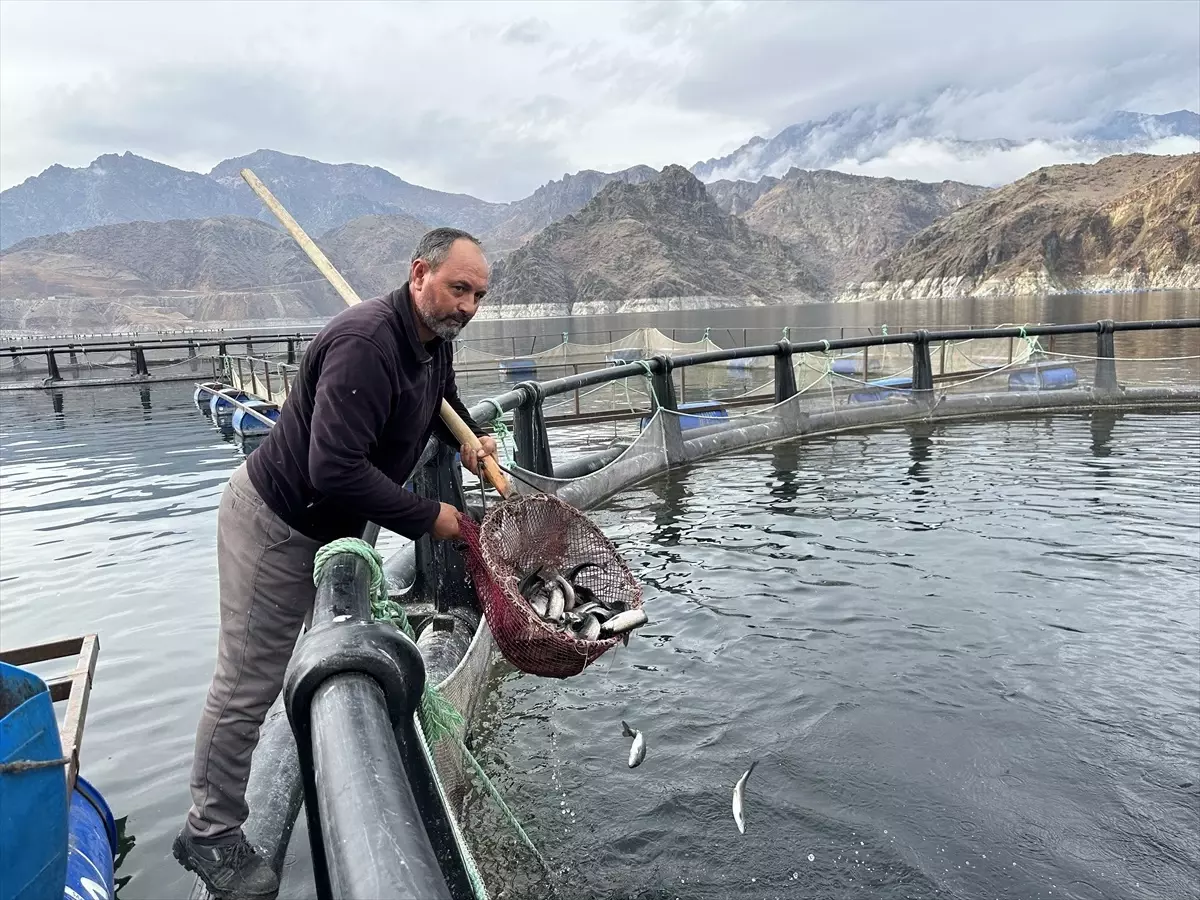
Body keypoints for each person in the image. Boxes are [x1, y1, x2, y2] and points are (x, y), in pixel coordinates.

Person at [172, 227, 498, 898]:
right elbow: (333, 469)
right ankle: (207, 832)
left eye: (478, 295)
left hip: (328, 533)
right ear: (419, 275)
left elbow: (440, 405)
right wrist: (434, 518)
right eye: (457, 288)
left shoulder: (430, 342)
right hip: (275, 524)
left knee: (264, 678)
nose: (466, 305)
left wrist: (470, 438)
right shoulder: (365, 344)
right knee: (246, 683)